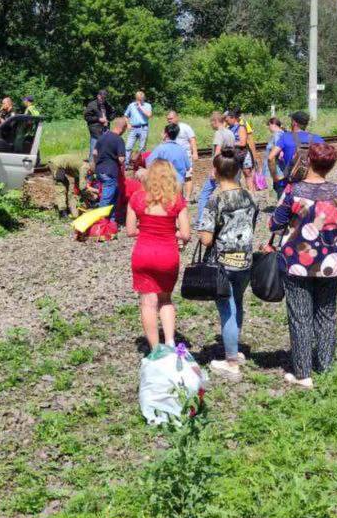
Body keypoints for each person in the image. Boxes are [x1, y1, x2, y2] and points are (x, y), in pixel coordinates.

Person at [269, 141, 337, 389]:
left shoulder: (293, 192)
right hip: (331, 265)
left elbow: (275, 224)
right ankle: (325, 367)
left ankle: (303, 373)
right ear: (331, 166)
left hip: (297, 264)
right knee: (327, 314)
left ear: (309, 161)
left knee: (300, 317)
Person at [198, 150, 258, 380]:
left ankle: (231, 361)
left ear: (215, 171)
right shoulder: (250, 196)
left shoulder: (216, 199)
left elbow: (206, 239)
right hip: (245, 261)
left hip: (223, 263)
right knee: (238, 304)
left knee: (226, 309)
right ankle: (235, 348)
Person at [126, 159, 190, 351]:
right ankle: (170, 342)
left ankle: (155, 349)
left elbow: (130, 231)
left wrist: (146, 229)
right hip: (167, 255)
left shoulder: (137, 198)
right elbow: (186, 234)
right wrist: (171, 232)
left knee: (147, 302)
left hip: (143, 253)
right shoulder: (177, 200)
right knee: (165, 299)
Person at [196, 111, 239, 227]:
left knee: (205, 194)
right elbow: (233, 150)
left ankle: (200, 221)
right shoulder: (230, 133)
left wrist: (214, 168)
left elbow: (217, 151)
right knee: (228, 192)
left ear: (215, 121)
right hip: (229, 166)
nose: (211, 124)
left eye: (211, 122)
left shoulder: (219, 133)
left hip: (220, 167)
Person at [268, 110, 324, 196]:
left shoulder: (285, 137)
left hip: (290, 183)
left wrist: (275, 177)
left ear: (294, 123)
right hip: (311, 182)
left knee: (286, 207)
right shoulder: (317, 138)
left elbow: (270, 157)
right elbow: (325, 158)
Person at [90, 117, 128, 209]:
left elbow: (94, 153)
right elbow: (121, 159)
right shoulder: (119, 140)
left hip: (99, 170)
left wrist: (95, 166)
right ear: (123, 128)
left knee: (113, 197)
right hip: (110, 172)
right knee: (106, 200)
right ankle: (101, 221)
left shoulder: (102, 137)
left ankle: (111, 221)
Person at [166, 108, 198, 196]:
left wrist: (194, 153)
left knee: (187, 177)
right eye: (168, 119)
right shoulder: (167, 129)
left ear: (177, 118)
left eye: (171, 119)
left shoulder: (185, 127)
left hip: (185, 156)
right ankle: (179, 197)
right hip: (172, 157)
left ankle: (187, 198)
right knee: (174, 177)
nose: (169, 121)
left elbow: (192, 140)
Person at [226, 108, 258, 193]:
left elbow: (243, 143)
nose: (226, 121)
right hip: (233, 155)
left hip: (243, 154)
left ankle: (252, 194)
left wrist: (230, 143)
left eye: (228, 120)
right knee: (235, 176)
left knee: (247, 173)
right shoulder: (228, 128)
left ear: (233, 118)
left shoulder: (241, 127)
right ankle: (239, 195)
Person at [124, 91, 153, 163]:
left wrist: (140, 107)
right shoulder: (131, 105)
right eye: (138, 99)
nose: (139, 100)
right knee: (128, 147)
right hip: (133, 128)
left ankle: (142, 163)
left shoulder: (148, 105)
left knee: (142, 148)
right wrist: (128, 124)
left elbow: (149, 115)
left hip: (143, 128)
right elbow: (126, 116)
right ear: (136, 98)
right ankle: (126, 164)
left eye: (141, 99)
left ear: (144, 98)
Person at [84, 89, 110, 159]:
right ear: (98, 96)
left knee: (105, 150)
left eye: (104, 98)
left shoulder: (106, 104)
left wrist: (108, 119)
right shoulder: (91, 105)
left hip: (106, 129)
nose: (103, 99)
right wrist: (98, 119)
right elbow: (87, 117)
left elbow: (113, 112)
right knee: (94, 151)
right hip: (95, 130)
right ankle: (91, 167)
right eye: (102, 97)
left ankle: (102, 166)